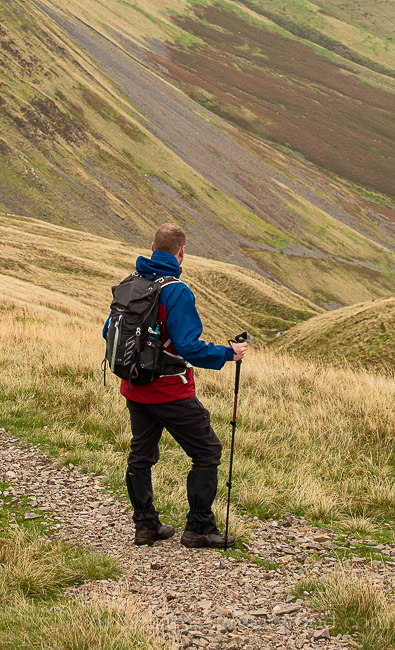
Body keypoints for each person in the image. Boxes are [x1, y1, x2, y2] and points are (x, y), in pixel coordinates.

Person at [103, 222, 248, 548]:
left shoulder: (129, 283)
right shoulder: (176, 291)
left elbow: (107, 332)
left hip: (134, 388)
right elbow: (189, 348)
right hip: (170, 390)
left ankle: (146, 526)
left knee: (140, 456)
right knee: (207, 451)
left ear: (152, 248)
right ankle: (199, 528)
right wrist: (228, 353)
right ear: (181, 253)